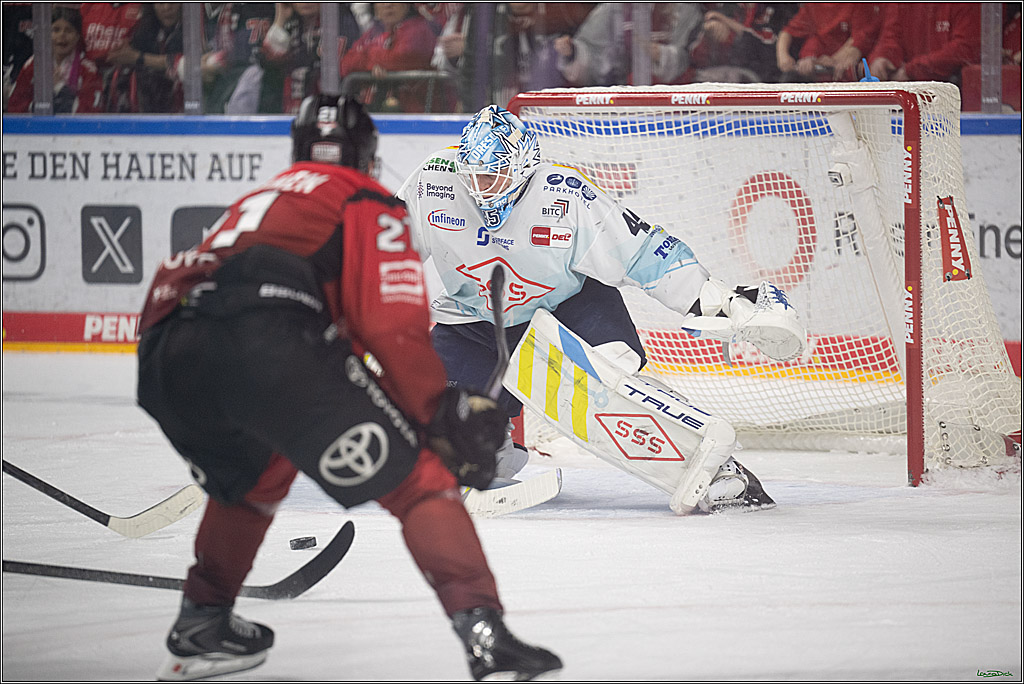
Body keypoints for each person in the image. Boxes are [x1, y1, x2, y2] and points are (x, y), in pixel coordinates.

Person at [135, 94, 562, 682]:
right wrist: (437, 413)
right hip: (269, 343)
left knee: (259, 475)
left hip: (168, 354)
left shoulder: (264, 197)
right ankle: (485, 634)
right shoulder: (364, 199)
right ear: (365, 154)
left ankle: (202, 621)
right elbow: (391, 327)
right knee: (420, 479)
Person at [397, 105, 806, 512]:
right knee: (434, 416)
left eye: (493, 175)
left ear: (523, 168)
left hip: (566, 308)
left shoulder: (565, 193)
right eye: (472, 174)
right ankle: (487, 455)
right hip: (472, 321)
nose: (479, 187)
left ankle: (722, 473)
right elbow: (385, 252)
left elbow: (642, 252)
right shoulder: (434, 180)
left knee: (611, 386)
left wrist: (715, 301)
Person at [553, 3, 702, 86]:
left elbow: (696, 59)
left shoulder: (685, 8)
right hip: (620, 107)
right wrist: (572, 52)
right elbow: (592, 53)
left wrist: (662, 55)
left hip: (675, 110)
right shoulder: (612, 9)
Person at [339, 2, 439, 113]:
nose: (388, 5)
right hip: (373, 111)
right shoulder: (373, 32)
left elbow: (399, 57)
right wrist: (370, 65)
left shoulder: (420, 28)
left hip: (414, 113)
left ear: (407, 5)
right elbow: (345, 64)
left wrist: (367, 60)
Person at [6, 6, 105, 114]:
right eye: (56, 30)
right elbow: (15, 106)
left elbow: (91, 112)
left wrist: (60, 88)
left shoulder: (88, 69)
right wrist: (39, 106)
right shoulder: (34, 64)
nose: (62, 35)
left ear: (77, 36)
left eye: (69, 30)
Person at [866, 3, 981, 83]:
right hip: (909, 88)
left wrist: (910, 70)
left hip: (951, 91)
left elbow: (964, 49)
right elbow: (892, 34)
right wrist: (883, 57)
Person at [775, 2, 882, 82]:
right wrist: (783, 57)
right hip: (820, 72)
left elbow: (859, 41)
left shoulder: (860, 5)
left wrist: (829, 61)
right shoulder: (814, 5)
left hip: (854, 72)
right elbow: (788, 31)